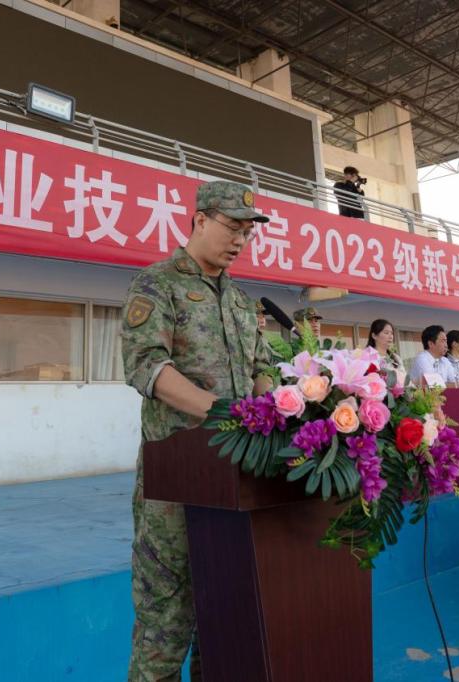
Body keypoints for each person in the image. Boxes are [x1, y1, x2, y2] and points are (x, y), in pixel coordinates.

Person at [121, 180, 273, 681]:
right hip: (175, 485)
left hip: (237, 483)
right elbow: (147, 367)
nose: (239, 241)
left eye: (247, 233)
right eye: (232, 227)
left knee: (223, 623)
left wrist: (266, 401)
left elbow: (262, 365)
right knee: (165, 622)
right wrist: (224, 412)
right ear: (200, 219)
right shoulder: (156, 283)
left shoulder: (242, 301)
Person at [366, 318, 405, 385]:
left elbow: (404, 380)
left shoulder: (396, 358)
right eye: (386, 333)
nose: (390, 336)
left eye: (392, 333)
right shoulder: (366, 356)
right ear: (374, 336)